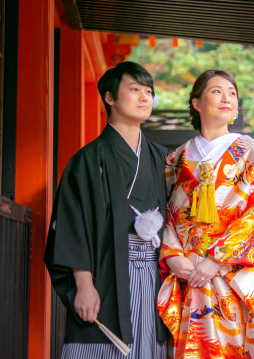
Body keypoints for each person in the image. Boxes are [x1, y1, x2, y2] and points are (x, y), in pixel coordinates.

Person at [158, 70, 254, 359]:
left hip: (230, 270)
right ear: (196, 103)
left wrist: (217, 259)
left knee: (235, 344)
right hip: (189, 270)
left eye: (232, 93)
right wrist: (172, 255)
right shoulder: (176, 157)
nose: (227, 98)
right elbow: (166, 211)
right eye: (217, 91)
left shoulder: (249, 150)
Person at [45, 61, 169, 358]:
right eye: (135, 89)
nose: (144, 98)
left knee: (149, 345)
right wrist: (83, 285)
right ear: (110, 98)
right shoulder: (88, 160)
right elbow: (74, 225)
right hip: (105, 273)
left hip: (155, 274)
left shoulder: (163, 159)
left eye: (149, 92)